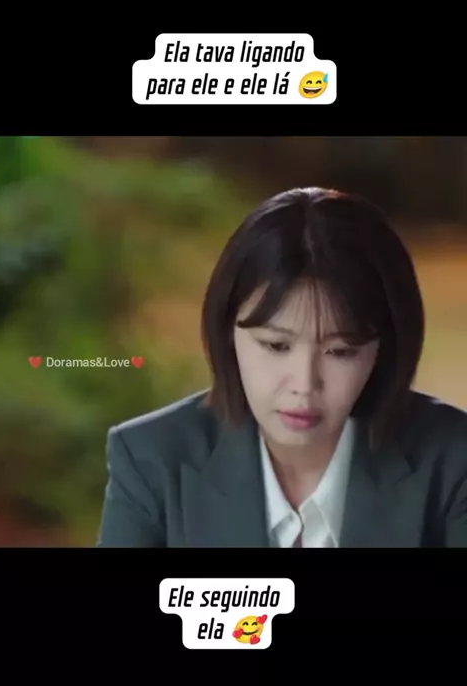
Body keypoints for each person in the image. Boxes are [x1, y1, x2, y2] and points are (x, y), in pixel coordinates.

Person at [96, 187, 467, 548]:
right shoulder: (152, 459)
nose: (304, 385)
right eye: (276, 346)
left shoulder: (453, 459)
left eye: (340, 352)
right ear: (228, 333)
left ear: (385, 349)